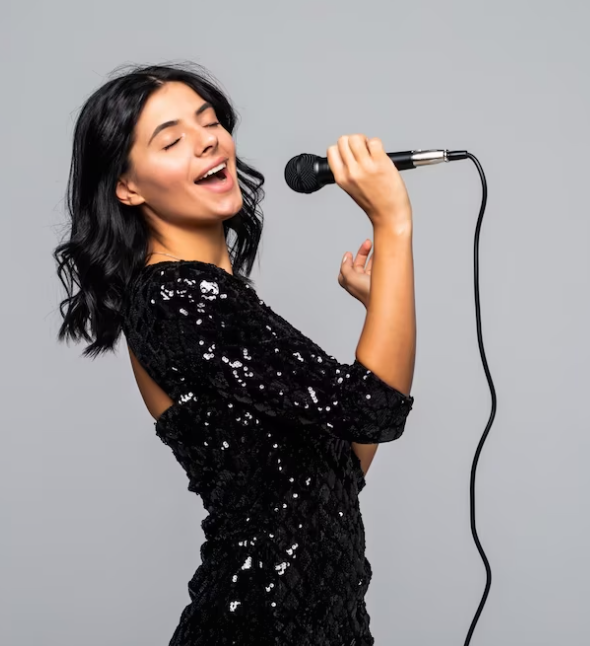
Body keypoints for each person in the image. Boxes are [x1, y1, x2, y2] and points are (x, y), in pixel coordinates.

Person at [54, 62, 416, 646]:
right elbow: (375, 409)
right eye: (171, 140)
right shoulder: (178, 298)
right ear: (128, 186)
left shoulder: (215, 298)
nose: (207, 140)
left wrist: (382, 309)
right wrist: (391, 223)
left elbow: (339, 468)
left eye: (209, 121)